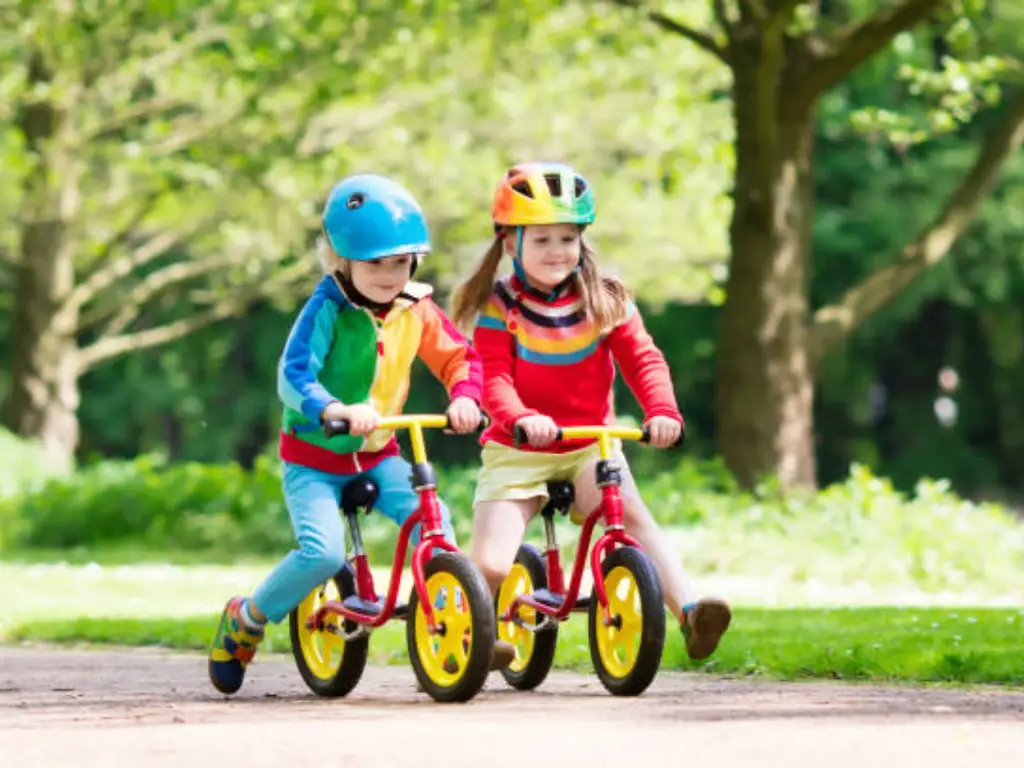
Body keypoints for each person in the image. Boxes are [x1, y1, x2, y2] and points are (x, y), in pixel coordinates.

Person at [209, 173, 513, 695]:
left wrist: (465, 397)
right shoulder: (327, 308)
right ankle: (248, 618)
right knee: (323, 554)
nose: (389, 275)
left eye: (400, 262)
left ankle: (455, 628)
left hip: (378, 452)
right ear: (340, 259)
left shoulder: (415, 307)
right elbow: (293, 374)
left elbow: (460, 358)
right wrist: (333, 407)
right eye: (375, 264)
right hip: (314, 459)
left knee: (434, 526)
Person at [450, 161, 732, 661]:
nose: (557, 251)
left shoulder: (606, 299)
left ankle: (690, 614)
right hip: (519, 450)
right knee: (491, 564)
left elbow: (643, 359)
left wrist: (662, 411)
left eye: (568, 238)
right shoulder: (500, 307)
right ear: (510, 243)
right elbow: (494, 379)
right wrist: (521, 418)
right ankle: (473, 637)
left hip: (589, 444)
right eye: (542, 240)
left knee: (634, 520)